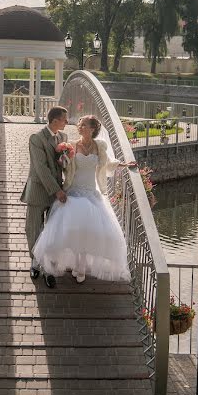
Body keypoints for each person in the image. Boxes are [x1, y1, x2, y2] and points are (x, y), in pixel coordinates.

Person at [33, 115, 135, 283]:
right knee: (74, 230)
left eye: (83, 125)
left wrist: (123, 165)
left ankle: (80, 266)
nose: (79, 127)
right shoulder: (71, 145)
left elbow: (107, 164)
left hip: (91, 194)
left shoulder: (100, 146)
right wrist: (63, 160)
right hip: (73, 192)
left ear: (92, 129)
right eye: (79, 125)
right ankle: (76, 265)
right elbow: (64, 167)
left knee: (89, 231)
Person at [20, 105, 68, 288]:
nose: (66, 122)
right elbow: (41, 168)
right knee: (33, 228)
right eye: (64, 119)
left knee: (52, 231)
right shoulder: (37, 138)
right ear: (55, 120)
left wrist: (67, 160)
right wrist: (56, 190)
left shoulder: (63, 138)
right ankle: (35, 262)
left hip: (57, 190)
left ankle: (48, 268)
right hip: (39, 190)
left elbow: (62, 164)